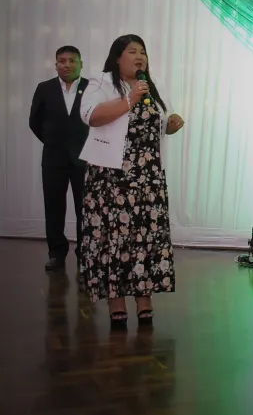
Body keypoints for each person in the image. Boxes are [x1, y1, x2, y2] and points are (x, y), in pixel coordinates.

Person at [78, 35, 185, 329]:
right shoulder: (100, 83)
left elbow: (158, 125)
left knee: (146, 240)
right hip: (112, 177)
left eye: (143, 53)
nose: (140, 57)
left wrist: (171, 125)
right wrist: (129, 99)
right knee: (115, 238)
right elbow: (91, 116)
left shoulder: (150, 87)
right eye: (132, 52)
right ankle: (116, 302)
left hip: (148, 177)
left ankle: (144, 300)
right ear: (117, 58)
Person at [29, 45, 90, 271]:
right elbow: (34, 121)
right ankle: (56, 253)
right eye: (62, 61)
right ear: (56, 65)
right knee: (53, 207)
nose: (67, 65)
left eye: (72, 60)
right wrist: (52, 141)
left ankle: (85, 254)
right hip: (53, 159)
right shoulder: (44, 88)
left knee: (86, 208)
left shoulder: (91, 88)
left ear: (81, 64)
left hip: (84, 159)